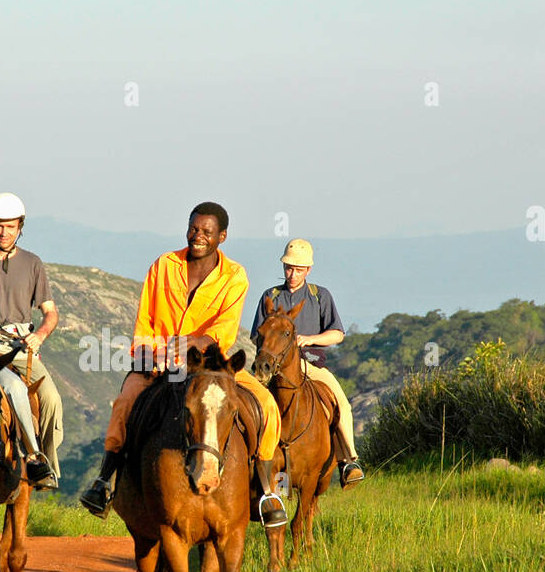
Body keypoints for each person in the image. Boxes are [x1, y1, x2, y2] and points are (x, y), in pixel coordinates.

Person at [79, 202, 289, 528]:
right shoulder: (163, 265)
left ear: (222, 236)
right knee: (124, 403)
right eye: (194, 229)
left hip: (212, 366)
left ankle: (265, 490)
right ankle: (104, 481)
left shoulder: (235, 276)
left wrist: (189, 344)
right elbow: (144, 324)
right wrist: (153, 354)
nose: (198, 236)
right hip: (158, 362)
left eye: (207, 231)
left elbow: (223, 331)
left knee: (265, 404)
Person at [250, 238, 364, 488]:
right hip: (273, 368)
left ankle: (349, 462)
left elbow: (337, 334)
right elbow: (256, 335)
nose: (292, 274)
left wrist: (310, 339)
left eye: (298, 270)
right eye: (289, 268)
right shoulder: (270, 296)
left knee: (342, 404)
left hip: (311, 365)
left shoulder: (320, 295)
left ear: (308, 270)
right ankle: (247, 460)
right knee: (247, 403)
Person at [0, 191, 61, 490]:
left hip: (22, 347)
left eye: (10, 226)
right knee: (10, 388)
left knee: (51, 400)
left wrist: (40, 335)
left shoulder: (33, 263)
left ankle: (45, 465)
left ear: (20, 226)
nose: (3, 232)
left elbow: (50, 313)